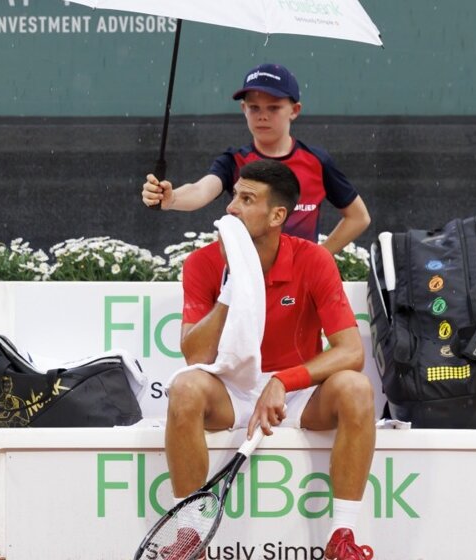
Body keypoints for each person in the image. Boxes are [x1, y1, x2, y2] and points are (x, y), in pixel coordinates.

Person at [164, 159, 376, 560]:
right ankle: (191, 537)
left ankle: (342, 537)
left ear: (278, 214)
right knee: (185, 387)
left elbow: (352, 352)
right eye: (233, 198)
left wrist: (285, 380)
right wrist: (232, 288)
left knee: (356, 388)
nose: (231, 208)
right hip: (232, 391)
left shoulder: (314, 260)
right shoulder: (203, 263)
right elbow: (194, 355)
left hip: (296, 395)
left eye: (247, 199)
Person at [141, 62, 371, 255]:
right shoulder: (233, 160)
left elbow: (359, 217)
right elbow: (201, 190)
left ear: (295, 110)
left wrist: (319, 256)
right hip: (246, 285)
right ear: (243, 109)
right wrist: (171, 199)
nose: (262, 116)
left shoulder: (317, 161)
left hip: (300, 288)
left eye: (273, 108)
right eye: (254, 107)